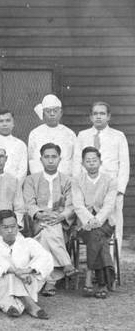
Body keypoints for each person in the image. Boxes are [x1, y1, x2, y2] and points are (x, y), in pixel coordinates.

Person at [73, 102, 129, 252]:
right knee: (90, 225)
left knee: (114, 225)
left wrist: (120, 190)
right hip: (88, 188)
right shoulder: (83, 135)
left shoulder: (118, 136)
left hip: (111, 189)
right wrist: (78, 186)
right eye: (95, 113)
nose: (98, 117)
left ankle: (112, 265)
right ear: (90, 117)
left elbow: (124, 164)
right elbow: (77, 163)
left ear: (108, 116)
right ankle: (96, 264)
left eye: (102, 113)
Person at [21, 142, 76, 296]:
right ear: (41, 159)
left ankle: (48, 281)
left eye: (54, 157)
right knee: (47, 228)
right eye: (47, 157)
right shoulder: (31, 180)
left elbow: (72, 205)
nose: (50, 160)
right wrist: (38, 214)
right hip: (38, 220)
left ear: (60, 159)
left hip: (60, 222)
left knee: (47, 234)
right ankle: (66, 263)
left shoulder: (68, 181)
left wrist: (61, 216)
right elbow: (28, 203)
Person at [0, 209, 52, 319]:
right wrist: (17, 272)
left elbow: (46, 258)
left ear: (18, 226)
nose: (10, 230)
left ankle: (11, 305)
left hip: (27, 281)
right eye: (5, 227)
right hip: (2, 284)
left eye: (13, 226)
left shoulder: (27, 242)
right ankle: (29, 304)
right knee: (7, 272)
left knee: (42, 260)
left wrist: (27, 270)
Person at [73, 147, 118, 298]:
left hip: (105, 222)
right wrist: (89, 220)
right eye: (88, 161)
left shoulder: (110, 180)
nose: (91, 164)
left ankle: (89, 275)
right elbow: (78, 204)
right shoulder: (77, 180)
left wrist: (97, 220)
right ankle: (103, 282)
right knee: (97, 237)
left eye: (94, 160)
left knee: (96, 234)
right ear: (82, 163)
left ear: (100, 162)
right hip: (83, 223)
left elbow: (109, 205)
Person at [28, 94, 76, 176]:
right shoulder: (35, 133)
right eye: (48, 111)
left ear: (61, 113)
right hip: (41, 178)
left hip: (64, 178)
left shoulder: (69, 133)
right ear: (43, 113)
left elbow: (74, 158)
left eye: (55, 111)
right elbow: (32, 159)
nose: (52, 114)